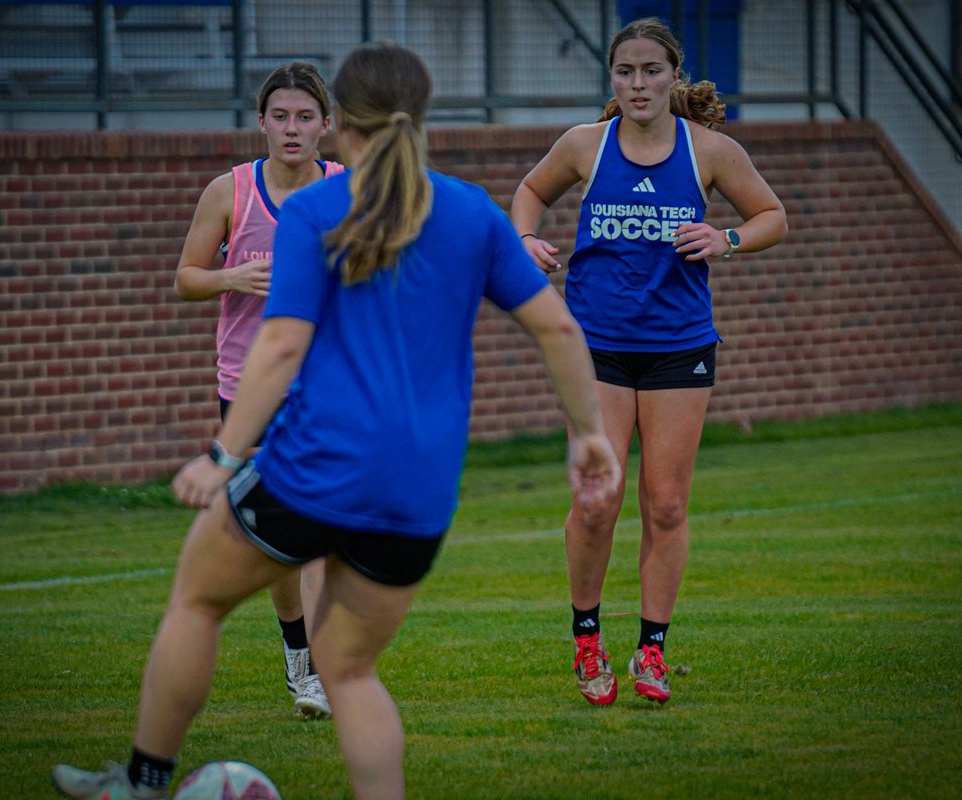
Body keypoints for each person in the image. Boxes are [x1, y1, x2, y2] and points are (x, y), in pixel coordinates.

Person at [52, 41, 620, 800]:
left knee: (197, 599)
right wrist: (588, 435)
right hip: (415, 496)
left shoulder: (316, 206)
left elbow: (282, 343)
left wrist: (221, 456)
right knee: (350, 672)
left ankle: (142, 784)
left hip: (310, 472)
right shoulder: (472, 213)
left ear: (339, 124)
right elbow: (557, 329)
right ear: (420, 119)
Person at [511, 16, 787, 706]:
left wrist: (726, 238)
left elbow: (771, 217)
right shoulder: (584, 144)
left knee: (665, 504)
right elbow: (531, 192)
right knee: (597, 498)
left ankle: (653, 651)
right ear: (613, 78)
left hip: (679, 349)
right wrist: (522, 239)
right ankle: (586, 637)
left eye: (651, 71)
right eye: (626, 71)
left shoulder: (710, 151)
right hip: (596, 349)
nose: (638, 83)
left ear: (674, 77)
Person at [173, 61, 345, 722]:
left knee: (323, 530)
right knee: (279, 543)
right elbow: (186, 277)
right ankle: (298, 654)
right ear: (263, 122)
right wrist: (232, 279)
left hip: (327, 383)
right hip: (249, 387)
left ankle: (323, 667)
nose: (293, 128)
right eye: (281, 116)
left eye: (306, 117)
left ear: (326, 124)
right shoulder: (230, 192)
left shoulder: (346, 191)